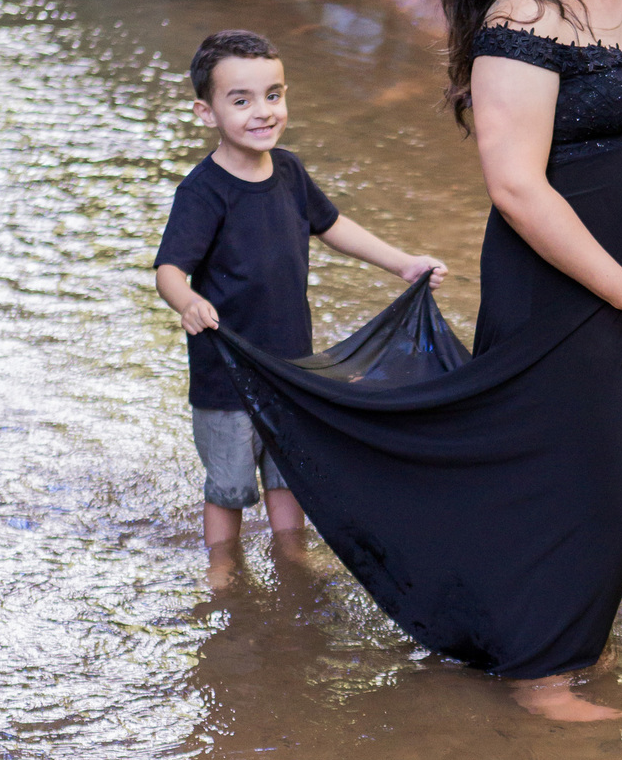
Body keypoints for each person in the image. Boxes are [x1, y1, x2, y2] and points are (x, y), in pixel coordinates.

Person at [210, 0, 622, 722]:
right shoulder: (518, 22)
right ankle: (540, 674)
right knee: (572, 473)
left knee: (610, 469)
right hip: (574, 288)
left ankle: (565, 638)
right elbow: (515, 186)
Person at [154, 29, 446, 582]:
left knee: (289, 474)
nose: (263, 111)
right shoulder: (203, 192)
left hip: (291, 369)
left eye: (273, 94)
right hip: (227, 376)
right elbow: (169, 269)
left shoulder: (288, 172)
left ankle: (292, 558)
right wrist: (187, 301)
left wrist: (403, 264)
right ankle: (223, 571)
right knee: (229, 485)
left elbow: (333, 227)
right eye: (241, 100)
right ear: (207, 112)